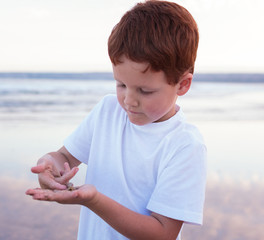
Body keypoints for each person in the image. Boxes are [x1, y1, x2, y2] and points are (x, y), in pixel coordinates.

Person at [26, 1, 206, 239]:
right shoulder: (107, 112)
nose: (129, 101)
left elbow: (163, 233)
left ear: (182, 84)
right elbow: (65, 157)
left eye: (144, 91)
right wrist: (50, 165)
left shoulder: (184, 145)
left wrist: (95, 201)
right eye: (121, 84)